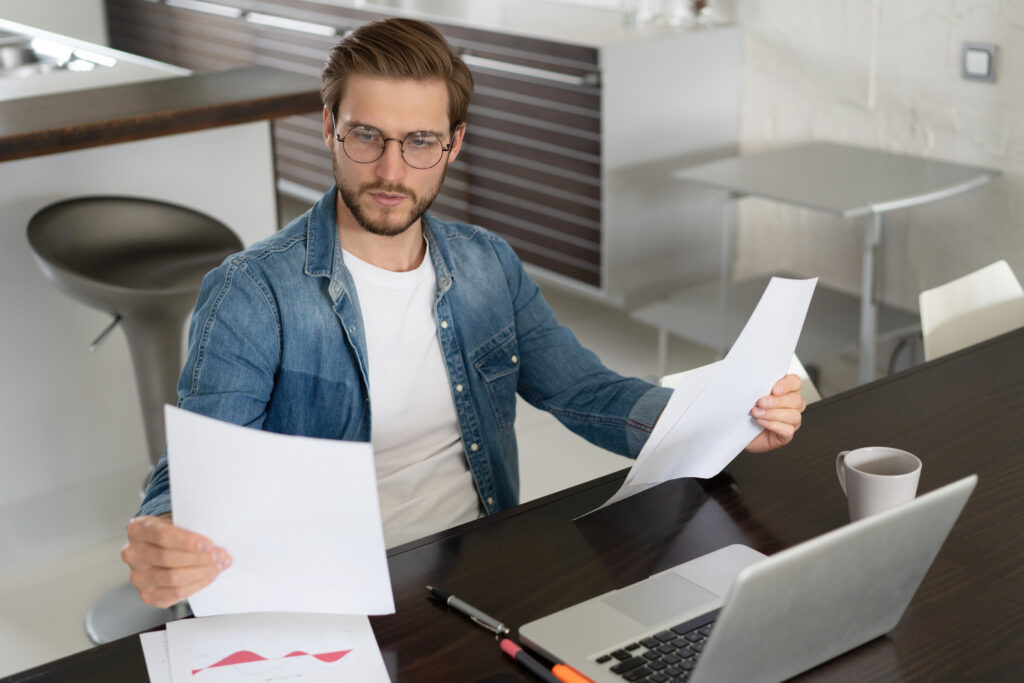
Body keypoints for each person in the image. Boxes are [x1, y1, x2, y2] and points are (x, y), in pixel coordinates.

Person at [121, 17, 806, 609]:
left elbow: (584, 391)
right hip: (328, 592)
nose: (391, 171)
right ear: (329, 128)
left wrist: (723, 420)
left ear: (454, 143)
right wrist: (165, 529)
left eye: (420, 141)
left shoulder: (488, 265)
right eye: (367, 136)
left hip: (476, 574)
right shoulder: (252, 291)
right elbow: (195, 468)